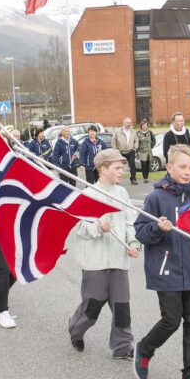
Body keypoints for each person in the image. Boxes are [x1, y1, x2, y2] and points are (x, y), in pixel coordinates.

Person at [132, 144, 190, 379]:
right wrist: (156, 229)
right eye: (182, 167)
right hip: (165, 269)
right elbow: (140, 232)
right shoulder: (155, 198)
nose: (187, 172)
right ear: (169, 167)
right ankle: (145, 348)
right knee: (171, 320)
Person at [68, 149, 141, 358]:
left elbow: (131, 222)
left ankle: (122, 346)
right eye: (117, 167)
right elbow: (80, 227)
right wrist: (98, 229)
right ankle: (76, 329)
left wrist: (134, 243)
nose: (121, 171)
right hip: (95, 261)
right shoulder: (89, 194)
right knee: (93, 304)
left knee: (121, 306)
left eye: (122, 167)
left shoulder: (122, 194)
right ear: (103, 169)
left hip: (119, 259)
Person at [112, 117, 141, 186]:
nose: (129, 124)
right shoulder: (117, 131)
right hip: (120, 151)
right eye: (127, 123)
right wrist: (115, 150)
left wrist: (135, 148)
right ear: (124, 123)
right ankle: (116, 180)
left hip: (130, 151)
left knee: (132, 165)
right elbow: (113, 141)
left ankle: (133, 179)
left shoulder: (133, 131)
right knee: (118, 166)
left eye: (130, 123)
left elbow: (136, 140)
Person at [135, 120, 156, 184]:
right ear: (141, 126)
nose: (145, 127)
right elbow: (136, 142)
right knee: (143, 164)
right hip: (141, 151)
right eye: (143, 125)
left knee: (147, 164)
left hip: (149, 151)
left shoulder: (150, 133)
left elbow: (154, 141)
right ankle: (145, 178)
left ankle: (147, 177)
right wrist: (137, 150)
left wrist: (151, 147)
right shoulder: (138, 133)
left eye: (146, 125)